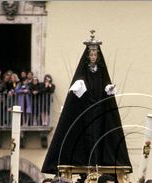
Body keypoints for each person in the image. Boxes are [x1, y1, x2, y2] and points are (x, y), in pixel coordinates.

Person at [42, 32, 132, 174]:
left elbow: (105, 85)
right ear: (87, 56)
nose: (93, 57)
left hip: (100, 109)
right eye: (91, 55)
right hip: (84, 110)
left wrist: (108, 89)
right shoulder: (83, 72)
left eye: (95, 55)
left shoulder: (101, 71)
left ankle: (99, 160)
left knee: (100, 133)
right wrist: (78, 87)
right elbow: (76, 88)